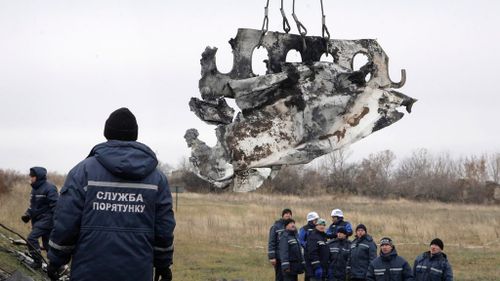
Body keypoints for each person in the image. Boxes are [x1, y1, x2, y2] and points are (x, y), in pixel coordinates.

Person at [47, 108, 176, 281]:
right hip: (137, 272)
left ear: (107, 133)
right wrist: (163, 264)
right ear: (134, 135)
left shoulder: (83, 172)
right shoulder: (157, 178)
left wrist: (56, 259)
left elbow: (66, 220)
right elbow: (164, 227)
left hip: (88, 272)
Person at [21, 167, 58, 269]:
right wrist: (27, 214)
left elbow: (56, 206)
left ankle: (38, 262)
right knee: (47, 245)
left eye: (32, 176)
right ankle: (56, 267)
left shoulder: (50, 188)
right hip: (37, 220)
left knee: (31, 238)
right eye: (30, 175)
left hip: (47, 220)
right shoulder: (34, 189)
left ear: (38, 177)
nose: (30, 177)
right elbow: (33, 206)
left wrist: (57, 222)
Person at [269, 208, 293, 281]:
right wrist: (272, 257)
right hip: (279, 257)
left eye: (289, 214)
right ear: (283, 215)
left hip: (290, 257)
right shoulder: (276, 226)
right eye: (286, 213)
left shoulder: (292, 227)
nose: (288, 215)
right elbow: (271, 241)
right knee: (280, 277)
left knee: (289, 277)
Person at [299, 211, 319, 281]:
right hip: (307, 254)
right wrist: (308, 246)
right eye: (315, 220)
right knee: (308, 273)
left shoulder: (318, 228)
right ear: (311, 220)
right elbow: (300, 240)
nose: (317, 221)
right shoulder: (304, 229)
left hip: (317, 254)